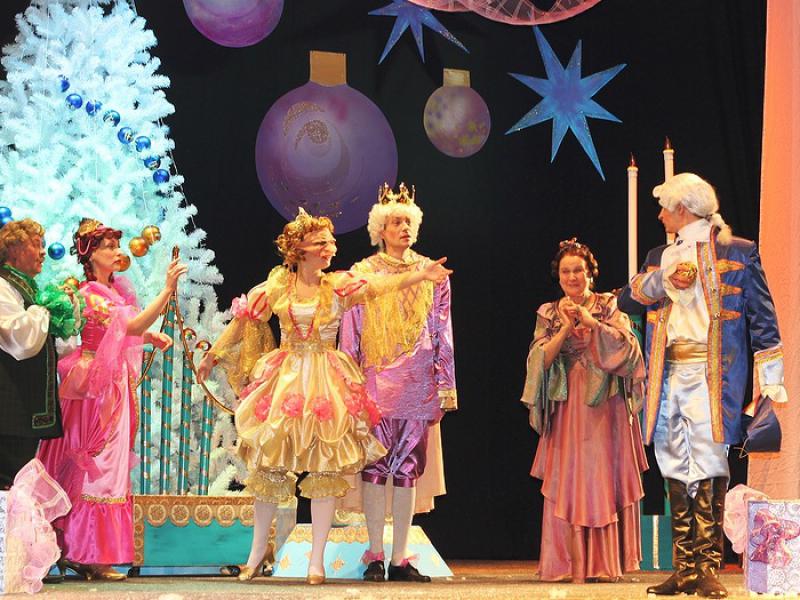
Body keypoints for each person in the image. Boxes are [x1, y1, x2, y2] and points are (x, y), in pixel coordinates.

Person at [197, 208, 451, 585]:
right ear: (299, 249)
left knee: (324, 467)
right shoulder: (278, 285)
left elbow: (379, 286)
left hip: (325, 382)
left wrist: (419, 274)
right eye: (321, 242)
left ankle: (316, 560)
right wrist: (213, 356)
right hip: (285, 380)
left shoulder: (338, 285)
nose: (330, 248)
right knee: (269, 465)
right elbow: (244, 318)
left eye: (330, 242)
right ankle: (255, 554)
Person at [618, 173, 786, 599]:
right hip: (668, 376)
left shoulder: (738, 251)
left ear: (683, 209)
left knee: (709, 464)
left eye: (664, 208)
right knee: (674, 465)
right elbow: (625, 300)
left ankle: (708, 567)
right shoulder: (660, 257)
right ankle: (685, 568)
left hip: (713, 378)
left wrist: (770, 378)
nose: (660, 215)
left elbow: (762, 318)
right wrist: (662, 280)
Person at [37, 218, 186, 581]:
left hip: (113, 385)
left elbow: (122, 333)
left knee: (111, 466)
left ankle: (87, 551)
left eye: (117, 246)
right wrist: (167, 290)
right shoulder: (90, 293)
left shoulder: (115, 290)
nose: (117, 252)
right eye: (108, 247)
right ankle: (84, 552)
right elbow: (127, 327)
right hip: (94, 388)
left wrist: (148, 337)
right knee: (97, 465)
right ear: (90, 255)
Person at [338, 183, 456, 583]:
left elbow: (442, 328)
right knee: (375, 465)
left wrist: (445, 383)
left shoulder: (433, 272)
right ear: (381, 230)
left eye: (408, 221)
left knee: (408, 467)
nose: (403, 228)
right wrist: (349, 380)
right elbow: (351, 328)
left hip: (418, 381)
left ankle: (400, 557)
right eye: (395, 222)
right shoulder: (364, 273)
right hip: (376, 380)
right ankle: (375, 552)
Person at [521, 238, 647, 583]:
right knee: (570, 476)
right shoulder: (549, 312)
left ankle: (603, 563)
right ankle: (568, 562)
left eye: (578, 270)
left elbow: (630, 350)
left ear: (590, 273)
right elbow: (539, 361)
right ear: (558, 276)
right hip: (567, 405)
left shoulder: (608, 305)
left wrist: (592, 324)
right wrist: (565, 328)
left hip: (605, 404)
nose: (572, 277)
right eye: (566, 271)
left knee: (600, 475)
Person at [0, 218, 81, 490]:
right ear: (14, 249)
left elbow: (59, 348)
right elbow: (20, 341)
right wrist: (45, 309)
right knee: (7, 487)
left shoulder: (29, 291)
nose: (43, 252)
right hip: (7, 414)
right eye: (36, 245)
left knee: (17, 487)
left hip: (24, 413)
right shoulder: (2, 287)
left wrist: (63, 310)